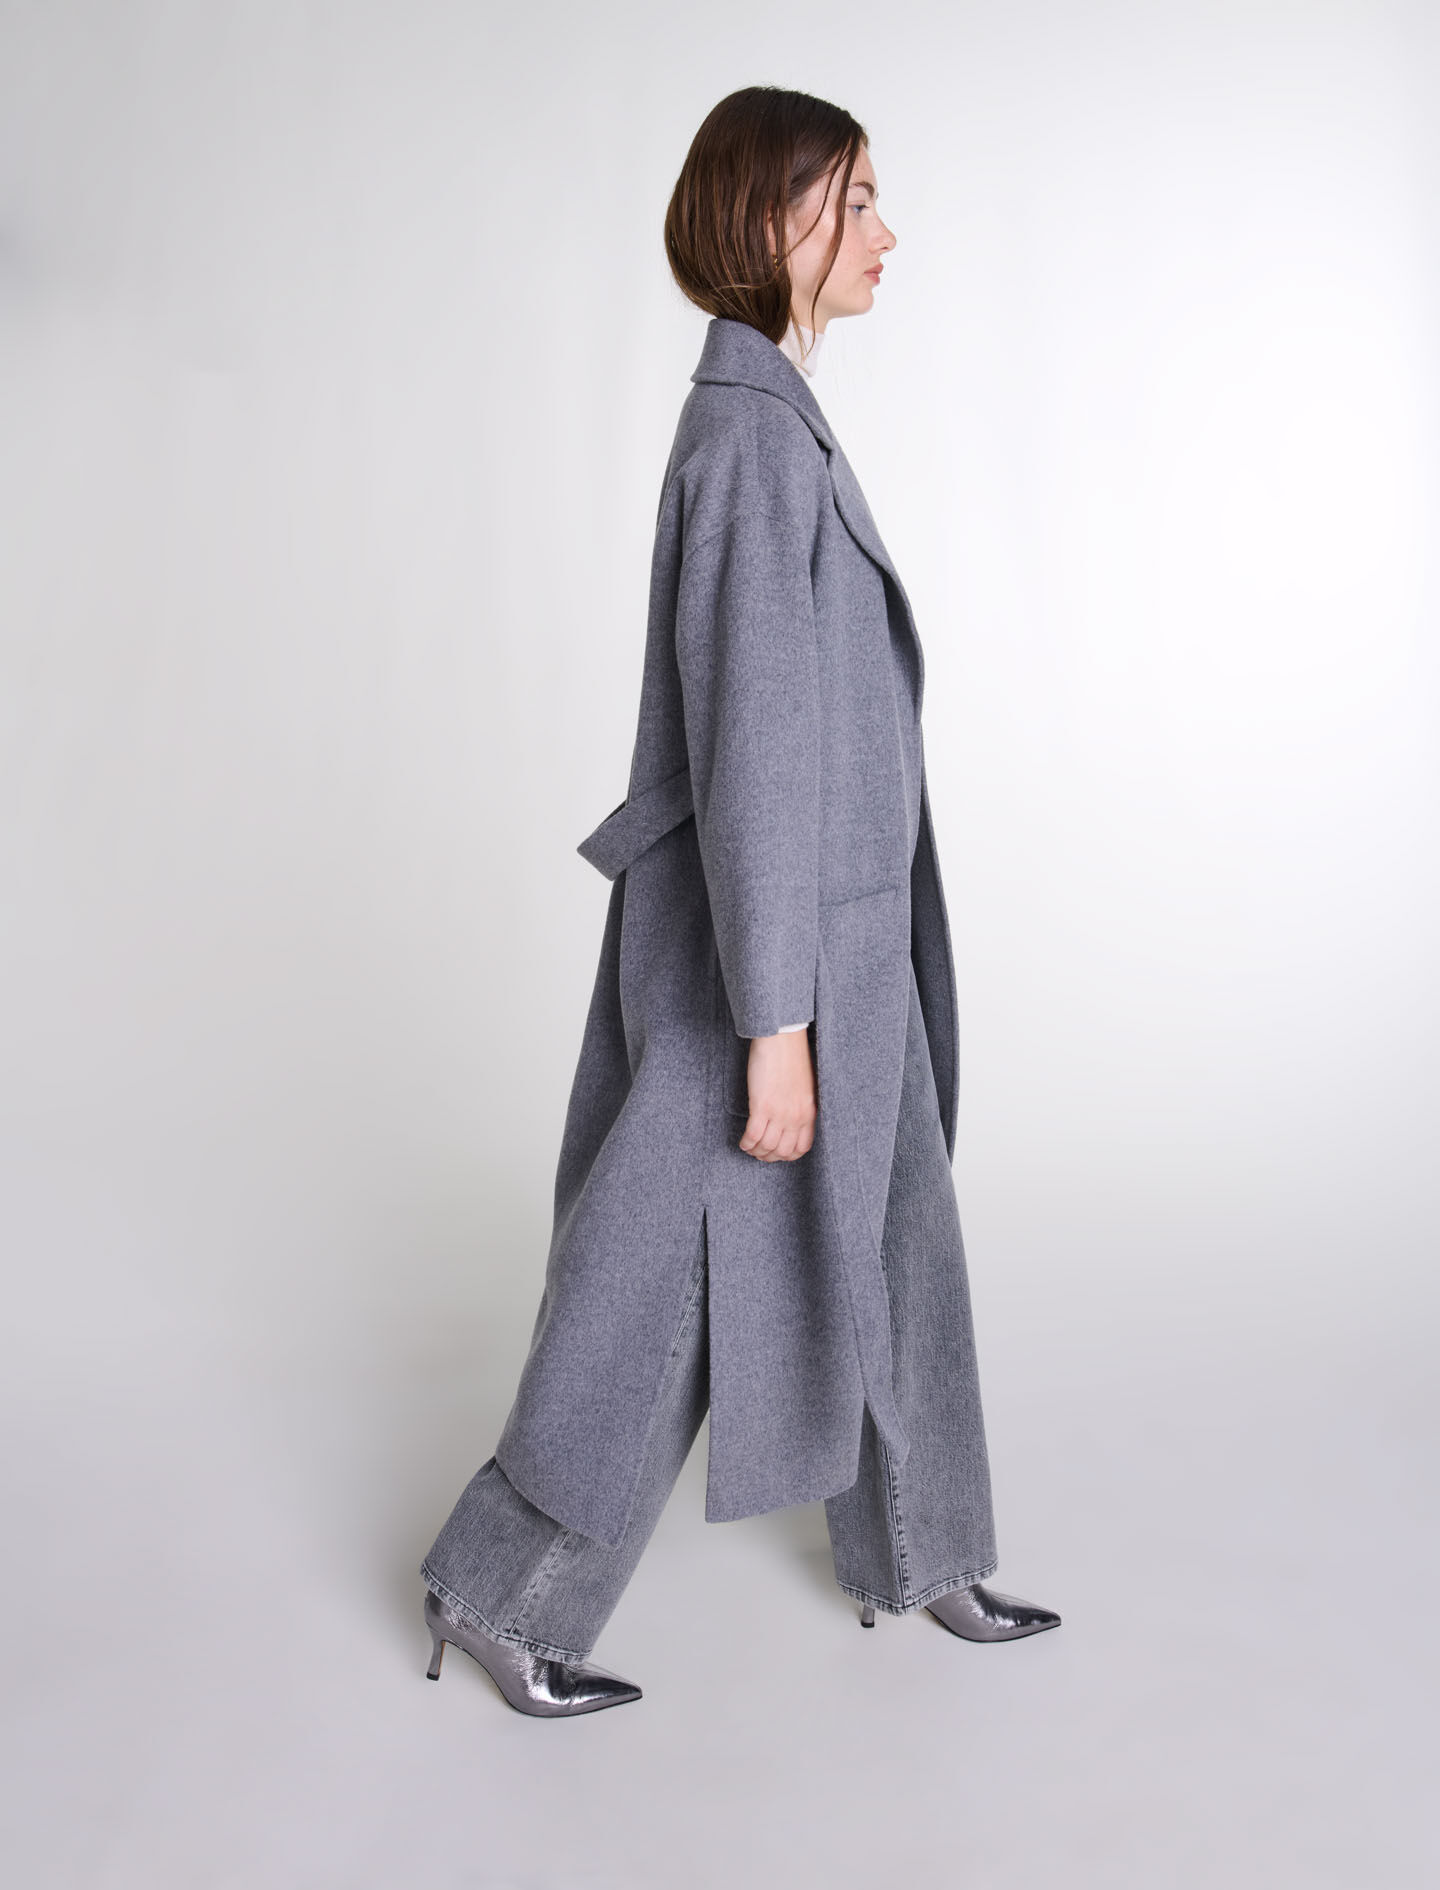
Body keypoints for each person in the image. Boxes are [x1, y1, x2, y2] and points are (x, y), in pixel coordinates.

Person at [418, 85, 1060, 1718]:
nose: (886, 231)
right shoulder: (751, 443)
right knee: (666, 1275)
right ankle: (500, 1589)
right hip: (767, 952)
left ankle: (926, 1548)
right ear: (776, 223)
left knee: (898, 1240)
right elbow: (756, 753)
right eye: (857, 200)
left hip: (846, 936)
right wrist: (777, 1025)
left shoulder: (777, 420)